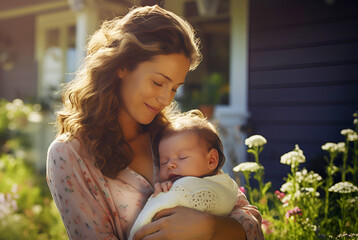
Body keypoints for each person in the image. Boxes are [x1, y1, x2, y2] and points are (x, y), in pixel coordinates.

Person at [46, 5, 263, 240]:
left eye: (174, 88)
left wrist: (210, 228)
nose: (165, 99)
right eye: (159, 82)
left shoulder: (174, 137)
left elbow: (245, 215)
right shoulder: (70, 154)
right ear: (122, 66)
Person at [129, 110, 241, 239]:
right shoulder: (170, 188)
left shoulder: (223, 186)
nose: (170, 165)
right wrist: (161, 195)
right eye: (163, 162)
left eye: (182, 157)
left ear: (211, 160)